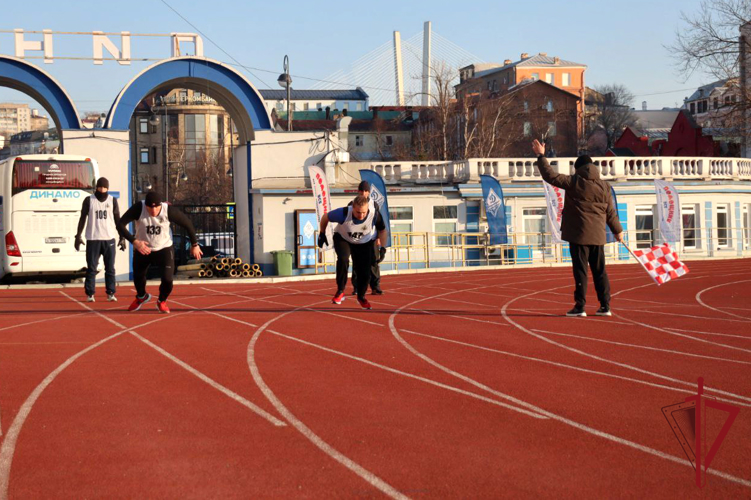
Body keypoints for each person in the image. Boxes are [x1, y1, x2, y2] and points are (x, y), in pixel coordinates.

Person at [532, 139, 623, 317]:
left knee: (581, 271)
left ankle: (580, 306)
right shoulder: (605, 186)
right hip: (598, 237)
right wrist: (617, 231)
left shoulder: (574, 182)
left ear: (578, 169)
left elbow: (550, 176)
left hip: (579, 236)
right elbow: (611, 212)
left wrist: (540, 155)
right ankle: (605, 306)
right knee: (600, 271)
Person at [117, 191, 202, 313]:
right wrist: (134, 241)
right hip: (143, 248)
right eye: (149, 207)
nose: (153, 210)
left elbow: (187, 224)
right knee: (138, 277)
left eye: (156, 207)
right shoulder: (138, 208)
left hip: (164, 248)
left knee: (167, 279)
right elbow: (120, 224)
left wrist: (195, 244)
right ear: (145, 205)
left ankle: (161, 300)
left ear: (160, 205)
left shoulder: (168, 210)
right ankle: (142, 297)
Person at [318, 194, 388, 310]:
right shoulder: (343, 213)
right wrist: (321, 233)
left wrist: (383, 248)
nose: (361, 215)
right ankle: (340, 291)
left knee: (365, 271)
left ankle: (361, 296)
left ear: (367, 209)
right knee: (343, 259)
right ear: (352, 208)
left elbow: (383, 230)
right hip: (343, 238)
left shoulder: (374, 214)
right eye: (357, 212)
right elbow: (325, 217)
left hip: (364, 242)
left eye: (363, 213)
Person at [74, 177, 126, 302]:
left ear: (108, 188)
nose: (102, 190)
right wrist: (78, 236)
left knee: (110, 268)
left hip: (109, 239)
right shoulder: (89, 200)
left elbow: (118, 220)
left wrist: (122, 236)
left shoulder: (112, 200)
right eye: (100, 187)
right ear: (96, 187)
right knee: (92, 268)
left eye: (105, 187)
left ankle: (111, 293)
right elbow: (82, 219)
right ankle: (90, 293)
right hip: (93, 238)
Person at [350, 181, 386, 295]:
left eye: (366, 191)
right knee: (357, 263)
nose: (363, 193)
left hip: (371, 238)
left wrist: (379, 239)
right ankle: (357, 287)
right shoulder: (352, 204)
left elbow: (380, 224)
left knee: (374, 263)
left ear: (369, 192)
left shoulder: (374, 205)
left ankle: (375, 287)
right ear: (358, 191)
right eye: (361, 191)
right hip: (357, 239)